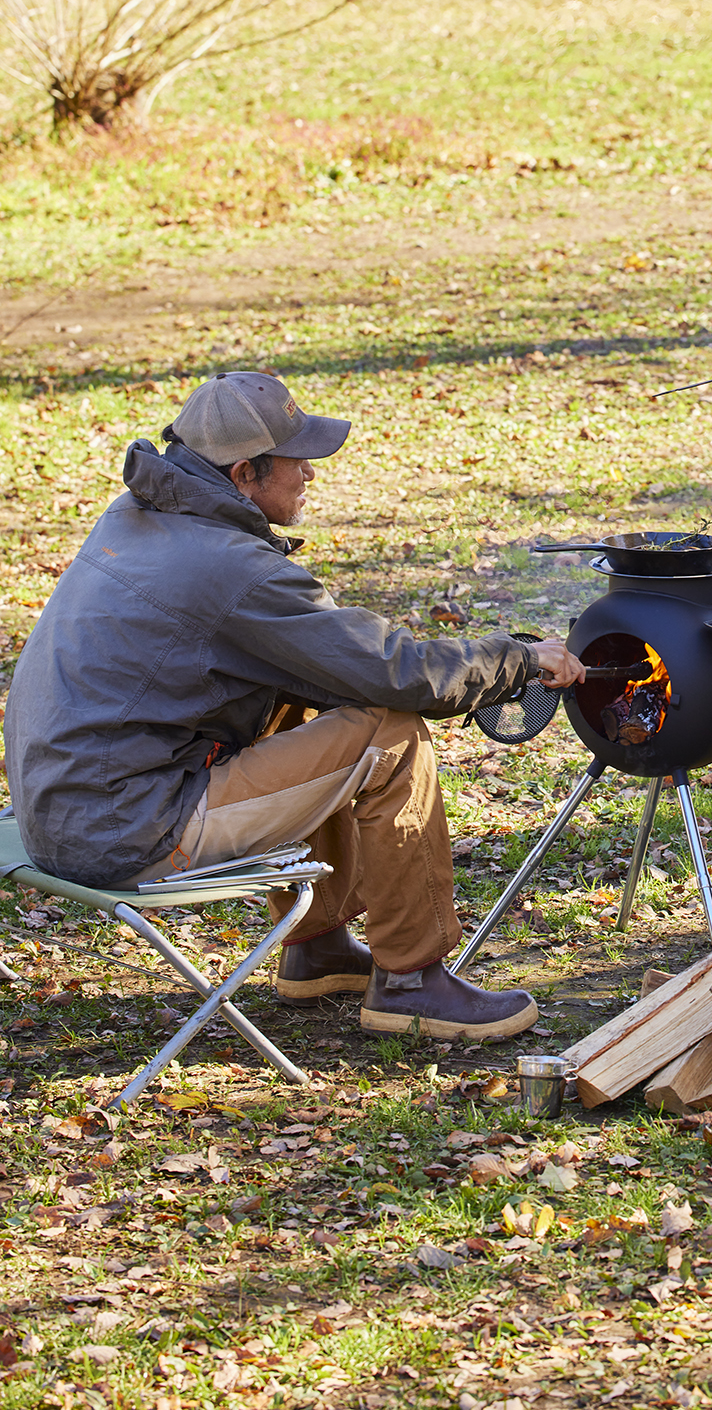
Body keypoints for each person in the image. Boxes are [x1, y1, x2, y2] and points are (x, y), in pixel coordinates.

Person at [4, 371, 585, 1044]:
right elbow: (397, 676)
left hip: (66, 808)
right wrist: (517, 659)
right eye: (296, 458)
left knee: (309, 697)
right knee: (389, 734)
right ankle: (412, 983)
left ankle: (319, 948)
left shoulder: (140, 517)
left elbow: (334, 663)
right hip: (122, 831)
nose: (310, 471)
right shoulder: (228, 566)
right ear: (245, 472)